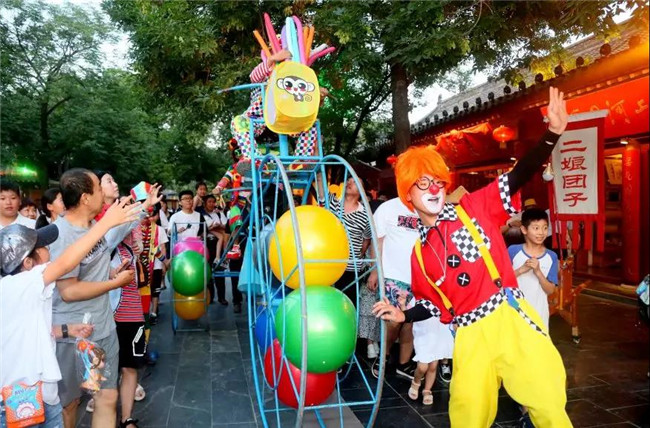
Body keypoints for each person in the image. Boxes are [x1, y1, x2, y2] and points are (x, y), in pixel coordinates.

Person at [373, 87, 572, 428]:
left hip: (508, 315)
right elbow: (434, 304)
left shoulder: (473, 208)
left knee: (546, 398)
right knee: (468, 413)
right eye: (423, 183)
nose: (434, 189)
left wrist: (552, 134)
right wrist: (403, 314)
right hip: (470, 333)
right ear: (408, 194)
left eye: (438, 181)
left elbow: (517, 176)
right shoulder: (420, 255)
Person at [0, 200, 139, 428]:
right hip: (21, 400)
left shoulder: (18, 290)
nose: (49, 249)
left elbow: (24, 330)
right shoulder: (22, 284)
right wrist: (105, 224)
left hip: (43, 395)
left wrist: (65, 330)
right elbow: (66, 262)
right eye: (42, 247)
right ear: (28, 263)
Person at [48, 169, 154, 428]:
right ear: (85, 198)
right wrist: (114, 283)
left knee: (106, 396)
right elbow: (69, 291)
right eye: (98, 187)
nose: (103, 192)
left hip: (103, 330)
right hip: (74, 336)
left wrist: (111, 272)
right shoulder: (61, 234)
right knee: (70, 404)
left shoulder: (94, 226)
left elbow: (92, 268)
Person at [367, 196, 454, 382]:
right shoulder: (388, 207)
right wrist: (375, 270)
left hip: (422, 278)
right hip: (393, 275)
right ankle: (384, 356)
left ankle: (404, 363)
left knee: (412, 320)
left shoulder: (431, 208)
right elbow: (377, 241)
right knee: (393, 321)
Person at [508, 208, 559, 330]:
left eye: (545, 228)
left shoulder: (551, 256)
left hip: (538, 314)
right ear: (524, 229)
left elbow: (551, 290)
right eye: (536, 228)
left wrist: (538, 272)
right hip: (513, 311)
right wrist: (521, 270)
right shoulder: (512, 251)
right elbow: (501, 281)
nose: (541, 233)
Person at [329, 177, 372, 306]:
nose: (349, 183)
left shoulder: (365, 214)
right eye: (349, 180)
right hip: (328, 264)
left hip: (351, 268)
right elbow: (320, 189)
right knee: (328, 302)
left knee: (347, 304)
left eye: (355, 182)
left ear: (362, 191)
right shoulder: (332, 203)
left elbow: (367, 238)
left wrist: (360, 253)